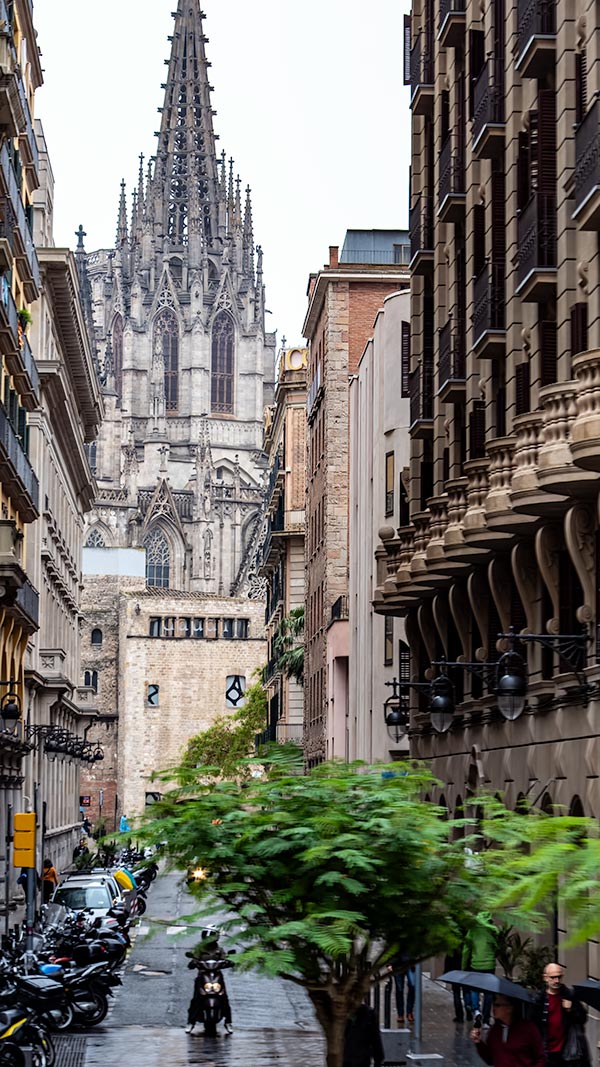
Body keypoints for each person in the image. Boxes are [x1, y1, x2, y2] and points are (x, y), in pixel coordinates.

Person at [533, 962, 590, 1067]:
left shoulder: (569, 995)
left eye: (559, 977)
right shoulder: (538, 999)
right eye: (553, 977)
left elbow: (583, 1019)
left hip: (566, 1051)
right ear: (545, 978)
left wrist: (571, 1010)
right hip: (545, 1051)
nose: (557, 981)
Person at [470, 995, 545, 1067]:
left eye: (498, 1005)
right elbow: (490, 1059)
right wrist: (479, 1042)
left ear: (509, 1008)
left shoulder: (529, 1029)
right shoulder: (494, 1031)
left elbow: (540, 1058)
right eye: (494, 1004)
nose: (493, 1008)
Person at [185, 938, 233, 1035]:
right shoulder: (199, 950)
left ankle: (228, 1022)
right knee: (196, 999)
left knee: (224, 998)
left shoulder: (219, 950)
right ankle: (191, 1022)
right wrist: (193, 963)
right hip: (203, 976)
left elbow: (226, 959)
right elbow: (194, 960)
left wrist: (229, 962)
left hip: (217, 976)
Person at [462, 910, 499, 1026]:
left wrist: (463, 965)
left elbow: (466, 949)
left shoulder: (472, 931)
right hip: (490, 965)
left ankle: (476, 1010)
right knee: (488, 993)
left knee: (475, 989)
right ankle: (486, 1020)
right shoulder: (492, 930)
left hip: (476, 964)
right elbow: (497, 946)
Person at [343, 1002, 385, 1067]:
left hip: (360, 1059)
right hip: (351, 1059)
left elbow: (376, 1040)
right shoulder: (369, 1014)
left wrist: (378, 1059)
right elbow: (376, 1040)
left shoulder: (369, 1014)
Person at [393, 960, 416, 1026]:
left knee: (412, 986)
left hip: (411, 964)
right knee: (399, 989)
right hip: (397, 964)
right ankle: (400, 1014)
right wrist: (389, 964)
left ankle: (409, 1011)